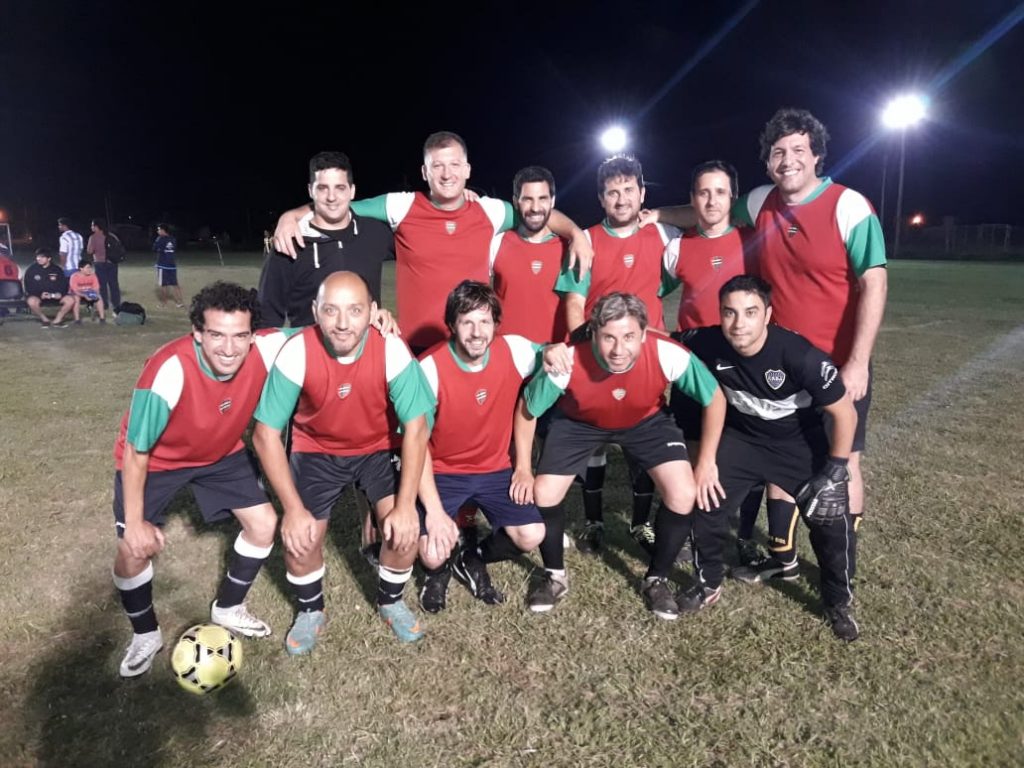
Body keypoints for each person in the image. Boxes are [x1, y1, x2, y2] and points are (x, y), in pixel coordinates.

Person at [645, 108, 887, 529]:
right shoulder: (760, 202)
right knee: (783, 452)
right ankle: (781, 553)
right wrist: (658, 215)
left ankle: (842, 549)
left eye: (798, 150)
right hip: (777, 360)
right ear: (768, 161)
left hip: (835, 361)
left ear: (817, 156)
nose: (788, 160)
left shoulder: (849, 205)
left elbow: (875, 284)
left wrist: (858, 362)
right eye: (778, 152)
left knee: (845, 459)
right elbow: (709, 211)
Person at [111, 282, 292, 678]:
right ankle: (145, 634)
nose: (229, 348)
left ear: (253, 335)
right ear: (197, 333)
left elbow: (324, 331)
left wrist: (374, 318)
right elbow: (137, 453)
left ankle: (229, 607)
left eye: (239, 336)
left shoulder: (268, 347)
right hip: (157, 460)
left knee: (264, 524)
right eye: (216, 335)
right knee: (131, 551)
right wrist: (137, 523)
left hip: (219, 453)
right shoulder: (169, 370)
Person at [273, 131, 592, 354]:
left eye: (454, 165)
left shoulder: (490, 211)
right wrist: (293, 214)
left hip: (473, 342)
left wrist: (576, 233)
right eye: (437, 165)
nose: (446, 173)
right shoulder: (401, 205)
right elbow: (338, 204)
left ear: (467, 170)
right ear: (425, 172)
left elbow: (534, 212)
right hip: (415, 347)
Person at [252, 271, 434, 651]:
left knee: (404, 532)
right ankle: (310, 610)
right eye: (331, 310)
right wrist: (292, 510)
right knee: (300, 540)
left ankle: (390, 601)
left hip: (377, 448)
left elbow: (416, 428)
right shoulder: (298, 351)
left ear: (372, 311)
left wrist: (405, 506)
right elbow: (265, 435)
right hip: (317, 450)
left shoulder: (390, 348)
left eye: (354, 310)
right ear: (315, 311)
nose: (342, 323)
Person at [517, 292, 726, 619]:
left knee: (683, 493)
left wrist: (707, 460)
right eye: (608, 338)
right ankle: (555, 577)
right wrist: (522, 468)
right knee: (543, 493)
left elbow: (714, 398)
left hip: (646, 421)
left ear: (643, 334)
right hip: (580, 423)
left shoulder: (668, 353)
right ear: (594, 334)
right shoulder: (568, 360)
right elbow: (527, 409)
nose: (618, 349)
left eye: (629, 337)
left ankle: (656, 579)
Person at [674, 275, 860, 641]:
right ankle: (708, 582)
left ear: (768, 315)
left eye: (750, 312)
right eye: (729, 312)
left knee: (828, 520)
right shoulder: (707, 342)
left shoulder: (799, 355)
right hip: (742, 440)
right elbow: (657, 340)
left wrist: (836, 469)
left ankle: (838, 601)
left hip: (797, 444)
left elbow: (845, 413)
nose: (738, 324)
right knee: (707, 502)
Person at [555, 154, 679, 556]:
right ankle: (594, 522)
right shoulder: (587, 240)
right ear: (601, 198)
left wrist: (661, 213)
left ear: (642, 193)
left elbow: (708, 216)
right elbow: (575, 301)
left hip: (645, 360)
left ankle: (641, 524)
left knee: (642, 439)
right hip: (599, 356)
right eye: (612, 192)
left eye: (629, 190)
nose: (622, 199)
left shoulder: (664, 234)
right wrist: (582, 349)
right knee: (594, 441)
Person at [415, 281, 547, 613]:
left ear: (496, 323)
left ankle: (471, 556)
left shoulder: (514, 350)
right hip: (443, 470)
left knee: (531, 534)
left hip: (496, 469)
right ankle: (439, 571)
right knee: (432, 553)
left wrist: (523, 467)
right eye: (467, 322)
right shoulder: (429, 367)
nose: (477, 332)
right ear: (452, 324)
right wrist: (434, 511)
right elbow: (416, 445)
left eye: (485, 321)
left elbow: (554, 355)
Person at [660, 160, 764, 566]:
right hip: (693, 355)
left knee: (748, 445)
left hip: (742, 353)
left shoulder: (752, 241)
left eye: (720, 192)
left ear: (731, 198)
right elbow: (651, 290)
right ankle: (688, 528)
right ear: (693, 199)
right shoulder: (678, 248)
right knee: (692, 443)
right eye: (703, 192)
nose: (712, 200)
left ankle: (744, 536)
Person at [257, 151, 395, 328]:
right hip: (309, 345)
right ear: (310, 190)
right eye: (322, 188)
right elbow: (266, 319)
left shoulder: (375, 232)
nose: (331, 197)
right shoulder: (289, 244)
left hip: (367, 344)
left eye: (340, 188)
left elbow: (418, 249)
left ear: (352, 191)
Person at [488, 165, 568, 343]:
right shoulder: (496, 243)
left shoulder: (569, 248)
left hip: (553, 354)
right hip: (507, 352)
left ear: (552, 201)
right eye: (527, 199)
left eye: (542, 198)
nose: (535, 207)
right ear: (516, 201)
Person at [23, 248, 75, 326]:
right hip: (39, 296)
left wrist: (60, 293)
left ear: (49, 259)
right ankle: (44, 319)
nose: (39, 259)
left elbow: (63, 284)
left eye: (42, 257)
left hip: (55, 296)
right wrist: (39, 294)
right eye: (38, 257)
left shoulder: (57, 269)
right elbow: (28, 286)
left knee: (70, 300)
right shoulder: (31, 270)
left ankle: (58, 319)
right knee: (31, 301)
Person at [87, 218, 123, 311]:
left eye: (92, 225)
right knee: (114, 284)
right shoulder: (111, 235)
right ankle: (116, 304)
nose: (91, 227)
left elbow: (89, 251)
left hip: (100, 263)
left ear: (97, 226)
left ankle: (104, 304)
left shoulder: (93, 237)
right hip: (112, 263)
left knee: (102, 285)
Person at [153, 223, 184, 308]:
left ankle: (163, 303)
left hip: (163, 265)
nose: (158, 231)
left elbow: (154, 248)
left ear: (163, 230)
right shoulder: (173, 239)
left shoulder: (160, 239)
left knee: (163, 285)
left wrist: (158, 244)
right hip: (172, 265)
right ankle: (179, 302)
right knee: (175, 284)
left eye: (159, 229)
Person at [68, 257, 107, 323]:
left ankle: (102, 319)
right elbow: (75, 290)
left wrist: (94, 295)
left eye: (90, 267)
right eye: (87, 268)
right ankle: (77, 320)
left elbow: (96, 288)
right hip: (76, 293)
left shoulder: (93, 276)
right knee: (76, 298)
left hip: (89, 292)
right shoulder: (74, 276)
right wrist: (85, 296)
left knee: (99, 297)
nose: (90, 269)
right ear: (81, 269)